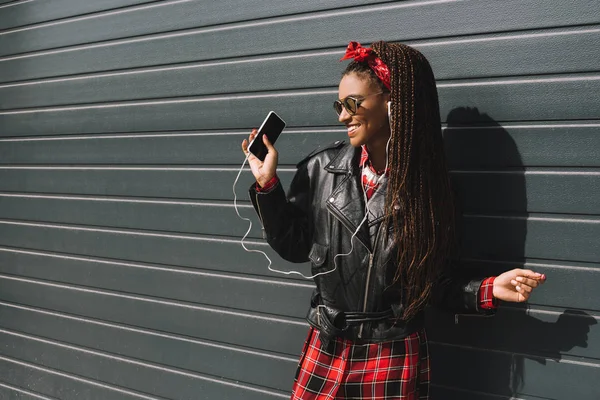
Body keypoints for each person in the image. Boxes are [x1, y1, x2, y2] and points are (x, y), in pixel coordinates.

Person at [241, 41, 546, 400]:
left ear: (392, 102)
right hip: (328, 345)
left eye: (353, 103)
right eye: (339, 105)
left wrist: (486, 290)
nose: (342, 116)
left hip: (391, 352)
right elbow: (294, 247)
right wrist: (267, 186)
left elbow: (435, 284)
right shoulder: (319, 169)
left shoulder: (432, 190)